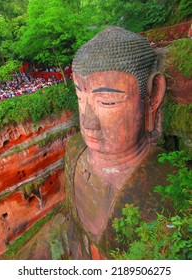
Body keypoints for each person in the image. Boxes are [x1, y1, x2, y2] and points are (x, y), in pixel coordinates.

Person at [65, 26, 168, 242]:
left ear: (153, 95)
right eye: (80, 98)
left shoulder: (167, 189)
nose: (87, 122)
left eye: (107, 102)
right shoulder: (74, 152)